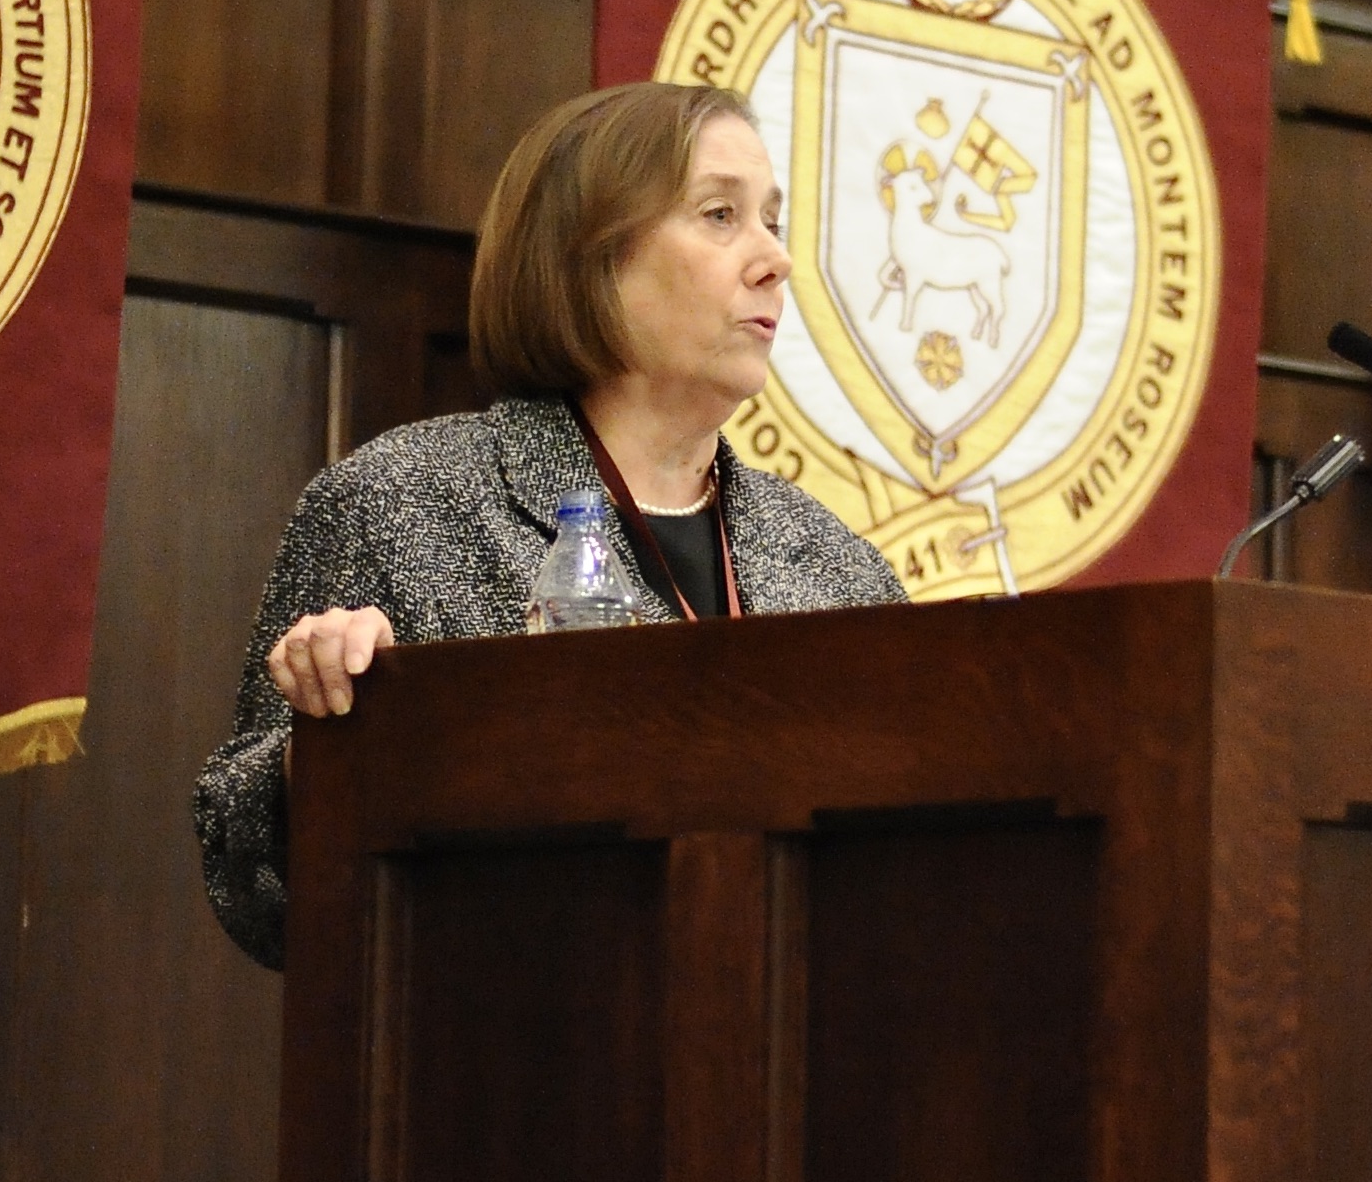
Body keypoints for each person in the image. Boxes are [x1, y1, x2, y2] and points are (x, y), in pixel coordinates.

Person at [194, 84, 906, 970]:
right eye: (722, 215)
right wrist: (334, 740)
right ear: (589, 257)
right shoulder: (399, 500)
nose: (774, 260)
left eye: (773, 219)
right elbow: (250, 889)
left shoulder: (841, 570)